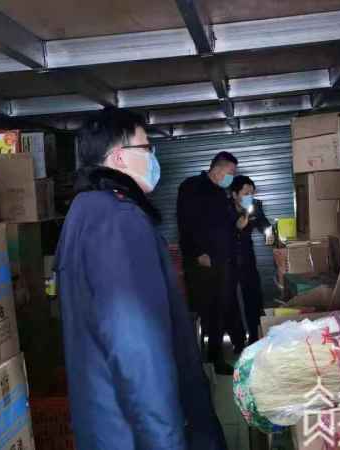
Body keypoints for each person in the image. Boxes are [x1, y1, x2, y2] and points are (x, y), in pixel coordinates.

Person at [55, 109, 227, 450]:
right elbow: (136, 346)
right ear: (119, 157)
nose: (153, 157)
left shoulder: (84, 211)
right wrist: (166, 441)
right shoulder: (119, 221)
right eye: (146, 148)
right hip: (136, 435)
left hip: (110, 427)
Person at [177, 152, 245, 375]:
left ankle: (216, 359)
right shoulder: (192, 187)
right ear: (218, 168)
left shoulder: (220, 193)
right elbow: (185, 222)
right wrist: (198, 253)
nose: (232, 176)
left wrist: (238, 222)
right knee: (205, 311)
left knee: (220, 310)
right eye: (231, 172)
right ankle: (201, 361)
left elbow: (226, 226)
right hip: (202, 263)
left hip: (222, 262)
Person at [230, 175, 272, 345]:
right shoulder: (224, 208)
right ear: (234, 194)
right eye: (246, 193)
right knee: (230, 300)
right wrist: (236, 228)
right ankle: (238, 341)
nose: (250, 196)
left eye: (252, 193)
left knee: (253, 296)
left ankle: (255, 336)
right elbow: (218, 233)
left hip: (247, 257)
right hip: (228, 258)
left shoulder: (255, 206)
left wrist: (270, 234)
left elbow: (264, 225)